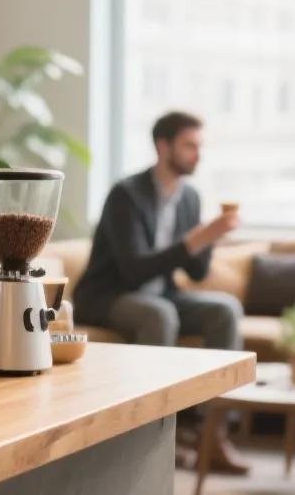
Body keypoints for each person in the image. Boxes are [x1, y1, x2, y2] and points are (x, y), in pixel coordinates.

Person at [74, 111, 246, 471]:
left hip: (160, 294)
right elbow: (133, 270)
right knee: (159, 314)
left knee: (225, 310)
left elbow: (196, 272)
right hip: (109, 295)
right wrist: (196, 238)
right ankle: (153, 432)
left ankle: (211, 433)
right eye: (188, 145)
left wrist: (209, 238)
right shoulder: (127, 195)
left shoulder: (189, 198)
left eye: (199, 146)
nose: (197, 154)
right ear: (162, 146)